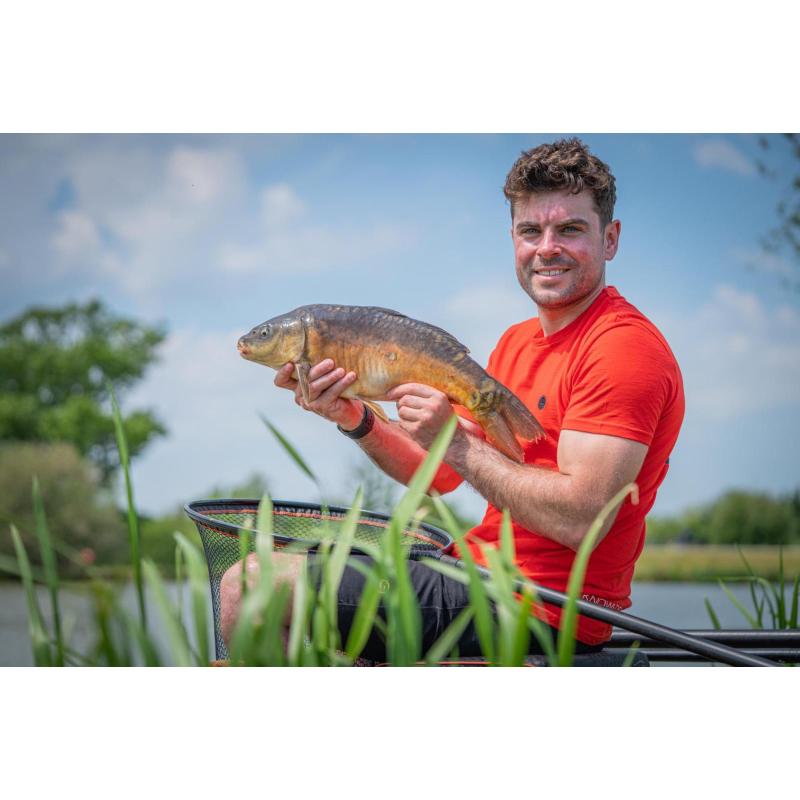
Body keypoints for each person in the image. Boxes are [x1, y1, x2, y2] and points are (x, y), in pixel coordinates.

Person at [219, 137, 685, 659]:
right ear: (513, 238)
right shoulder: (515, 341)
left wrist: (460, 446)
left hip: (542, 606)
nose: (546, 247)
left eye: (570, 229)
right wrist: (355, 418)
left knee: (250, 583)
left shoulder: (621, 347)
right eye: (531, 231)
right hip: (476, 574)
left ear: (611, 238)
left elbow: (582, 522)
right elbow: (437, 474)